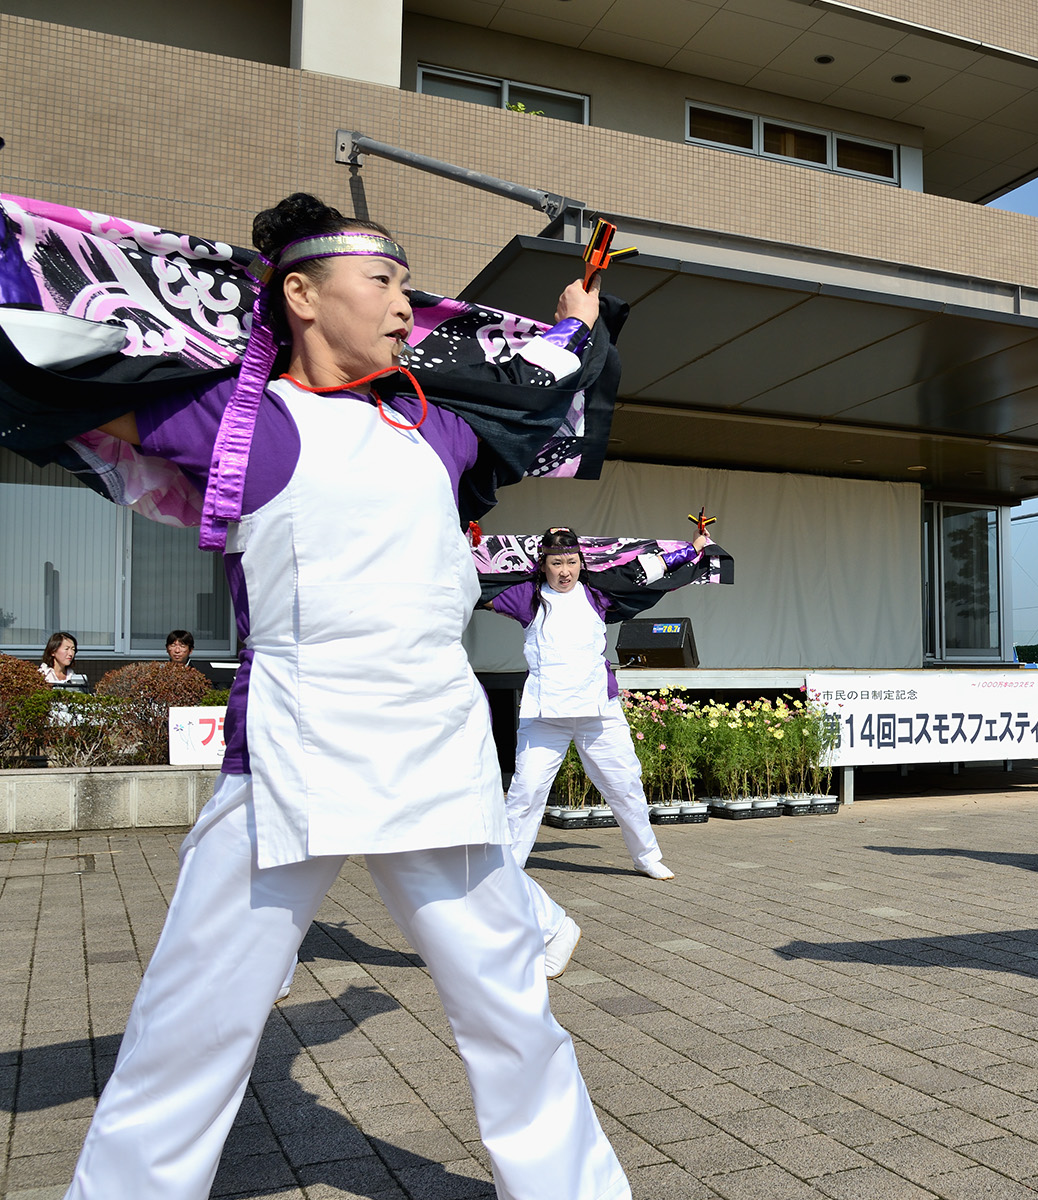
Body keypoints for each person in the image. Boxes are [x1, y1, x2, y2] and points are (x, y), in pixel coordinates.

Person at [28, 194, 632, 1199]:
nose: (407, 305)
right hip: (285, 771)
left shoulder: (436, 427)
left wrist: (576, 321)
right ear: (300, 296)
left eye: (406, 283)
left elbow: (536, 391)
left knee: (512, 1016)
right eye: (385, 281)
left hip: (434, 757)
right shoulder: (233, 418)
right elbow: (54, 375)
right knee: (193, 1026)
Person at [484, 524, 711, 977]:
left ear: (581, 562)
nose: (564, 571)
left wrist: (691, 550)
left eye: (570, 562)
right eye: (555, 563)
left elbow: (646, 574)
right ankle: (506, 872)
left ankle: (647, 856)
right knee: (525, 792)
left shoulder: (597, 594)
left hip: (597, 709)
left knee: (624, 783)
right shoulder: (526, 598)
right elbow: (475, 589)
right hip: (545, 712)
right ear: (542, 564)